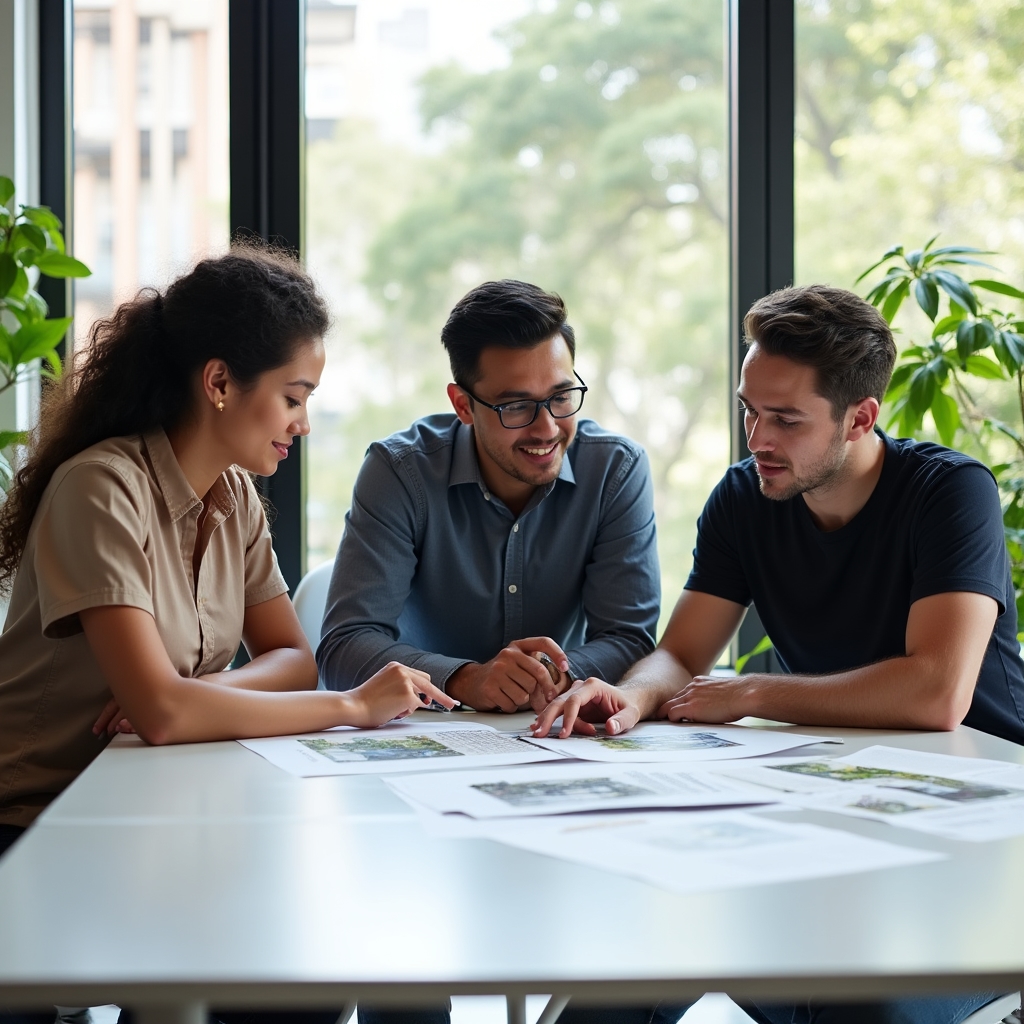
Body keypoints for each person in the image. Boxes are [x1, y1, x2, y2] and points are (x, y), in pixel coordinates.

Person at [532, 284, 1020, 1024]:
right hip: (836, 810)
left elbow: (937, 693)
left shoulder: (950, 493)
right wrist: (633, 695)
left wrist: (756, 693)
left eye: (786, 420)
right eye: (749, 410)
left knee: (856, 1006)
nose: (757, 437)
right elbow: (683, 653)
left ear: (861, 418)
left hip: (979, 828)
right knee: (623, 970)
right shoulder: (744, 497)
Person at [0, 246, 454, 1024]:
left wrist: (196, 693)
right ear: (218, 384)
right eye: (293, 397)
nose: (303, 424)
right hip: (35, 820)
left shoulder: (234, 496)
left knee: (302, 985)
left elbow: (289, 658)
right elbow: (168, 717)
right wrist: (351, 709)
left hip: (150, 808)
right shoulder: (101, 488)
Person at [316, 279, 660, 1024]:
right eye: (514, 406)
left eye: (561, 396)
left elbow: (632, 637)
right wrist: (467, 678)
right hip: (407, 787)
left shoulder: (615, 470)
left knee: (627, 952)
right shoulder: (400, 470)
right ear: (461, 402)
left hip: (560, 767)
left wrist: (555, 675)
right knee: (404, 982)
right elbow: (344, 646)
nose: (546, 426)